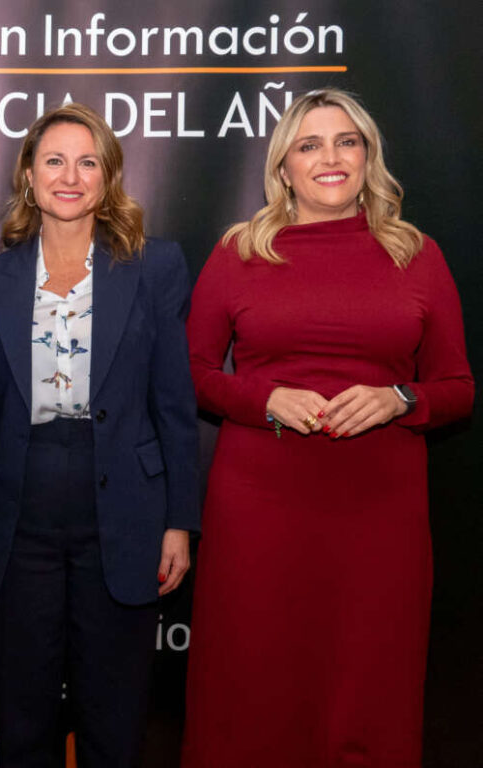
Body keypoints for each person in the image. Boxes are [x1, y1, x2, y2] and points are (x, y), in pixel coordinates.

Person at [181, 88, 474, 767]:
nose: (330, 158)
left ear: (368, 156)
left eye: (347, 141)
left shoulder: (417, 254)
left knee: (368, 683)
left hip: (380, 515)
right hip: (260, 507)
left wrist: (401, 398)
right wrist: (264, 399)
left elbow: (458, 388)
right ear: (284, 168)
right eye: (308, 145)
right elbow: (189, 373)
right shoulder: (239, 251)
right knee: (252, 682)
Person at [0, 103, 199, 767]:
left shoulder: (155, 267)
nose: (70, 176)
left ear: (108, 176)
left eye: (87, 161)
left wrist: (179, 521)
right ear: (28, 176)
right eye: (54, 161)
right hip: (17, 514)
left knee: (114, 720)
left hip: (125, 511)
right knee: (22, 719)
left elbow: (174, 404)